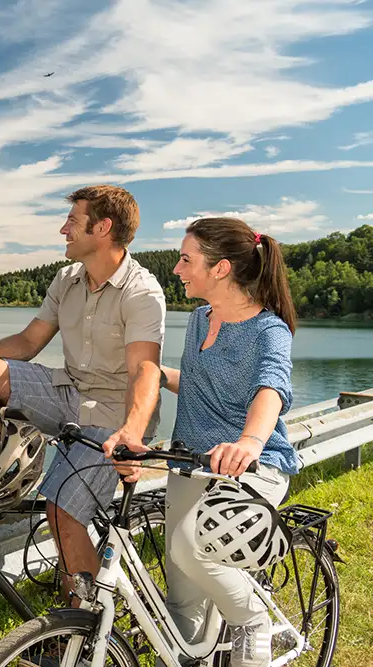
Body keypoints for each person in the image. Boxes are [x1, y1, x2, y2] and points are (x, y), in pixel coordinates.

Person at [0, 184, 166, 602]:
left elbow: (145, 371)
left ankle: (81, 624)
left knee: (61, 510)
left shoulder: (142, 292)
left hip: (113, 413)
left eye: (72, 221)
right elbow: (30, 341)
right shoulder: (67, 278)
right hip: (67, 392)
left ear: (102, 228)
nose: (62, 229)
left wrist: (133, 433)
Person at [107, 217, 298, 667]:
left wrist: (249, 441)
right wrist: (149, 373)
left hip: (249, 467)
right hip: (193, 464)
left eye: (186, 259)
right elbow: (194, 384)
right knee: (182, 595)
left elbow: (271, 389)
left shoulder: (269, 331)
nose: (177, 269)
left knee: (190, 548)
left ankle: (252, 621)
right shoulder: (198, 320)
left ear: (221, 269)